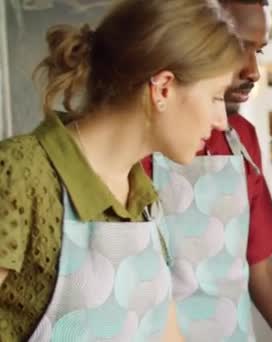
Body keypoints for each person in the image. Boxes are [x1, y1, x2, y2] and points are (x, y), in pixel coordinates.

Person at [0, 0, 242, 341]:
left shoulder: (143, 199)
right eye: (216, 97)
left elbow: (165, 334)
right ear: (163, 88)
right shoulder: (20, 174)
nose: (221, 122)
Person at [141, 1, 272, 341]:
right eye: (238, 46)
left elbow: (261, 270)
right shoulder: (137, 143)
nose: (253, 70)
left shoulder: (242, 139)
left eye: (260, 50)